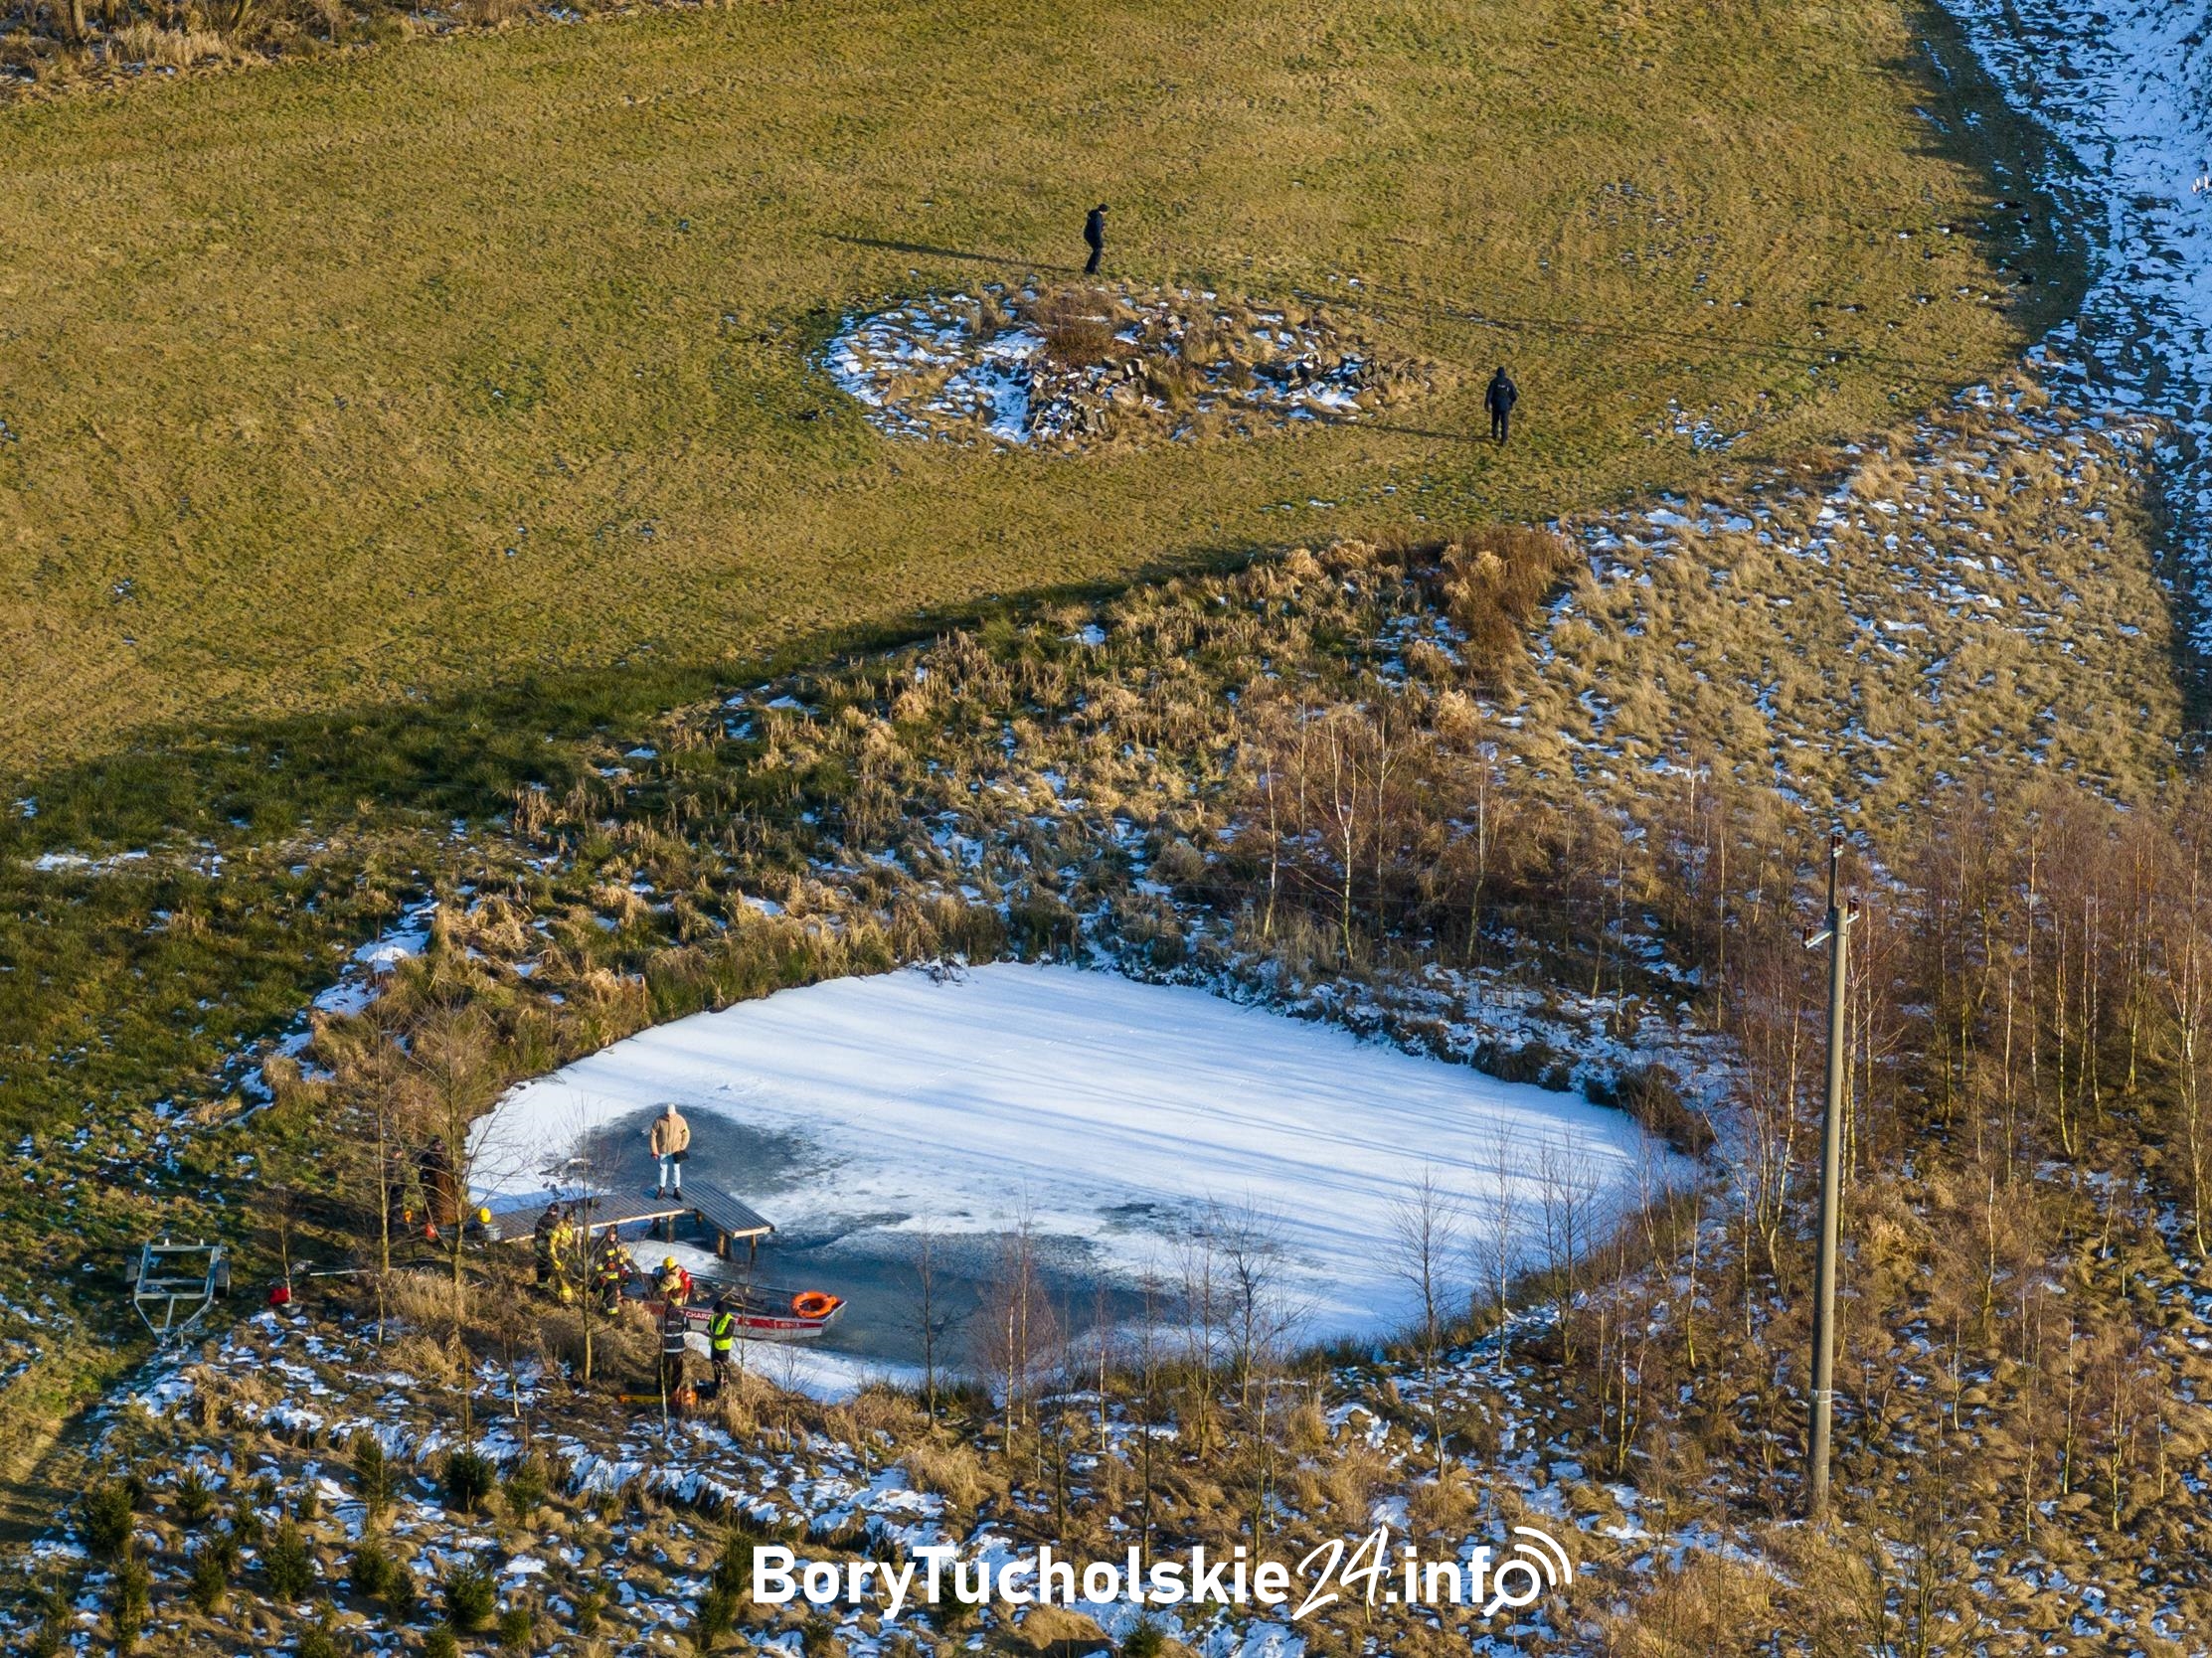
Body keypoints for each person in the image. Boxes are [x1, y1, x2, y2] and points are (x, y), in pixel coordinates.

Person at [648, 1104, 691, 1199]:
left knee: (676, 1169)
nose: (669, 1116)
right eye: (668, 1114)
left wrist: (682, 1147)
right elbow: (653, 1136)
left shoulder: (680, 1120)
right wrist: (654, 1151)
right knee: (663, 1170)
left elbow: (686, 1133)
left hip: (676, 1151)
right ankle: (661, 1189)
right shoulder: (659, 1120)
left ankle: (676, 1189)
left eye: (671, 1114)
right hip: (663, 1150)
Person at [658, 1298, 690, 1402]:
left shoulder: (662, 1318)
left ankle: (661, 1388)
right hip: (678, 1348)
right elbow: (688, 1328)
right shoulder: (683, 1317)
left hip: (666, 1348)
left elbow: (658, 1329)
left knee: (664, 1368)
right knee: (677, 1370)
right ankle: (675, 1389)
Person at [707, 1293, 739, 1394]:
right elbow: (709, 1326)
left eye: (717, 1313)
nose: (716, 1314)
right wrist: (706, 1331)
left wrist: (714, 1337)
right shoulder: (714, 1317)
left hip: (723, 1349)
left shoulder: (730, 1320)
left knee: (723, 1368)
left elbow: (727, 1335)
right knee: (715, 1366)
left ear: (723, 1312)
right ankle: (717, 1384)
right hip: (714, 1346)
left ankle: (726, 1386)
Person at [592, 1233, 629, 1315]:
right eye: (611, 1234)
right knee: (611, 1296)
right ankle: (612, 1316)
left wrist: (635, 1267)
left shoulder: (619, 1245)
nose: (612, 1236)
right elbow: (598, 1262)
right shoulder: (602, 1245)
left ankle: (602, 1310)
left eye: (614, 1234)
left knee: (607, 1295)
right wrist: (601, 1274)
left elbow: (627, 1258)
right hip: (607, 1277)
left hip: (617, 1277)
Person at [532, 1202, 565, 1287]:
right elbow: (550, 1236)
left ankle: (542, 1288)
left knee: (542, 1269)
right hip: (545, 1249)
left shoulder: (541, 1219)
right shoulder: (552, 1221)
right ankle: (544, 1288)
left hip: (541, 1249)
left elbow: (538, 1235)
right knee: (546, 1269)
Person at [1484, 367, 1518, 444]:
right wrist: (1511, 403)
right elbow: (1515, 395)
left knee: (1495, 421)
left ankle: (1495, 435)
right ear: (1504, 373)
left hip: (1496, 405)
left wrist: (1487, 404)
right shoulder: (1508, 382)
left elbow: (1489, 394)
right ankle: (1504, 440)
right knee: (1505, 423)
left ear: (1497, 373)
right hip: (1506, 406)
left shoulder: (1494, 382)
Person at [1083, 204, 1107, 276]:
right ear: (1103, 211)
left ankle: (1088, 268)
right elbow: (1097, 232)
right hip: (1092, 236)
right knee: (1098, 251)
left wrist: (1102, 226)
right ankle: (1094, 269)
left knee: (1096, 251)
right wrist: (1100, 242)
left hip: (1088, 234)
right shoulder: (1098, 218)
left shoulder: (1094, 214)